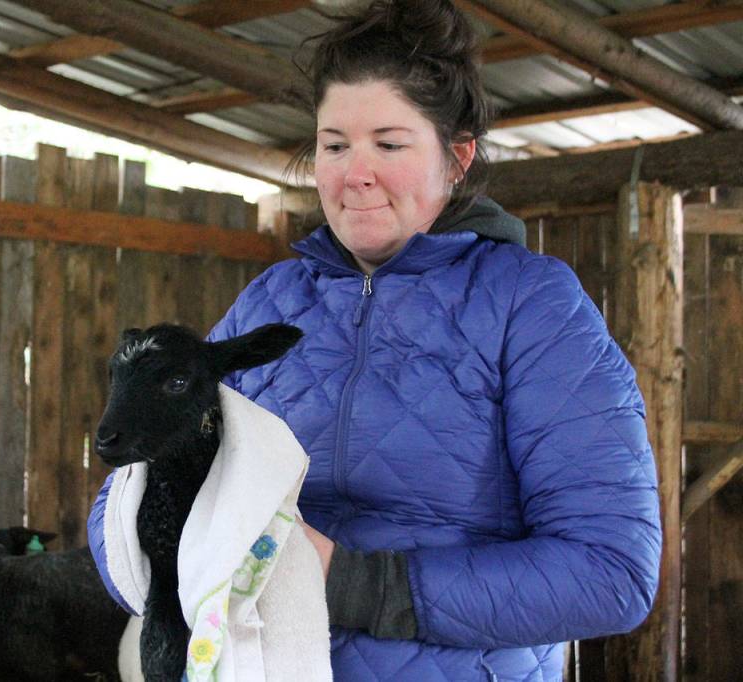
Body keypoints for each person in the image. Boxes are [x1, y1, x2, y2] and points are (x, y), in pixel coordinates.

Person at [89, 0, 662, 679]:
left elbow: (610, 572)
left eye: (389, 144)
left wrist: (343, 581)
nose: (353, 173)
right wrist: (169, 552)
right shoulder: (271, 301)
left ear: (456, 157)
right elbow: (123, 496)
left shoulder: (532, 307)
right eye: (334, 145)